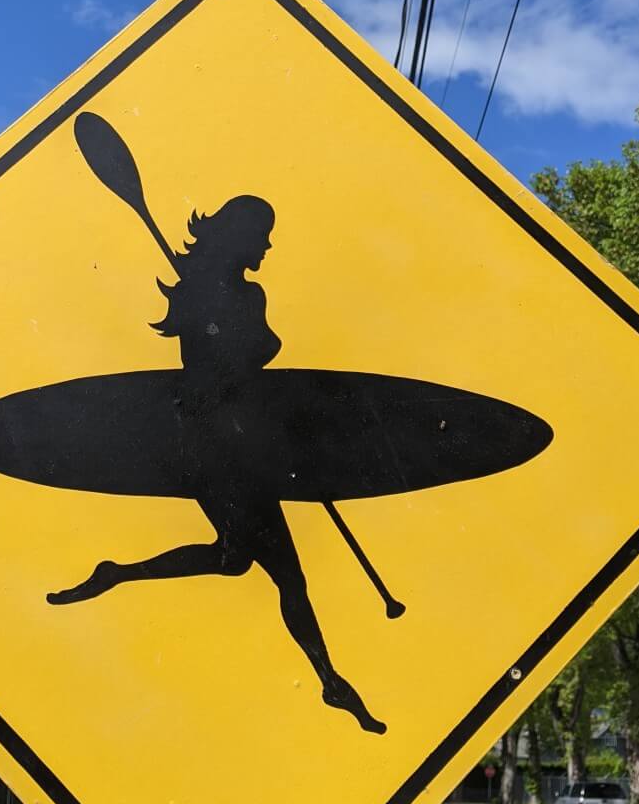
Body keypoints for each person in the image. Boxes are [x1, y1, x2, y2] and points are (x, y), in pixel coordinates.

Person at [48, 195, 386, 734]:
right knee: (284, 576)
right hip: (224, 452)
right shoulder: (227, 296)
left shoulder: (215, 294)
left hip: (230, 445)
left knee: (233, 559)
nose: (268, 246)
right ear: (241, 235)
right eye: (263, 235)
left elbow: (237, 357)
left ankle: (120, 573)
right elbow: (247, 355)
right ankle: (329, 680)